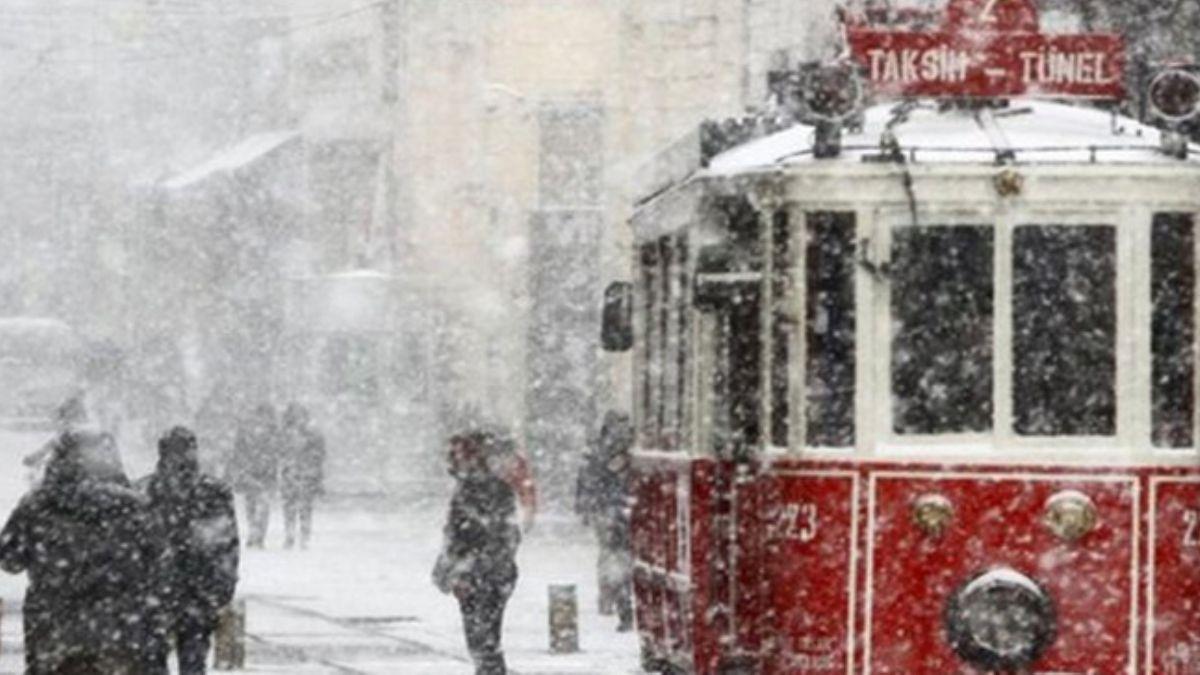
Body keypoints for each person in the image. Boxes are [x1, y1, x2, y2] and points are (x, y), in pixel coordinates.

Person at [0, 430, 170, 674]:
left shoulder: (36, 505)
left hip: (54, 632)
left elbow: (9, 561)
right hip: (123, 631)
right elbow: (159, 558)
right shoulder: (135, 508)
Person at [143, 426, 240, 675]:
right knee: (192, 658)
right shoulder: (213, 492)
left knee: (154, 659)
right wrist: (222, 589)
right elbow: (226, 544)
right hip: (196, 588)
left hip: (159, 589)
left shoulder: (143, 491)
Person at [432, 430, 521, 675]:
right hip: (489, 572)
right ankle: (489, 668)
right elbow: (508, 533)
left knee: (480, 636)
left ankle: (489, 669)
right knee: (486, 636)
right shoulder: (491, 489)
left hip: (479, 573)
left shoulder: (472, 490)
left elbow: (459, 534)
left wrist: (458, 567)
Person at [575, 410, 635, 631]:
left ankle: (611, 598)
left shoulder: (598, 447)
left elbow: (585, 477)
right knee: (615, 555)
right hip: (615, 507)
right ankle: (616, 599)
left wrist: (583, 504)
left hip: (610, 507)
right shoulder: (619, 447)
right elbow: (589, 476)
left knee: (611, 554)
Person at [228, 403, 280, 548]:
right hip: (259, 473)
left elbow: (238, 451)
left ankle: (256, 534)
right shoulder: (271, 432)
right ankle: (256, 534)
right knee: (258, 505)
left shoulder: (249, 430)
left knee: (256, 505)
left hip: (255, 472)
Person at [279, 402, 326, 549]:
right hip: (295, 473)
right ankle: (293, 535)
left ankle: (300, 536)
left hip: (302, 473)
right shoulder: (287, 433)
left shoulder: (310, 434)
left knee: (301, 506)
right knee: (293, 506)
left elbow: (320, 454)